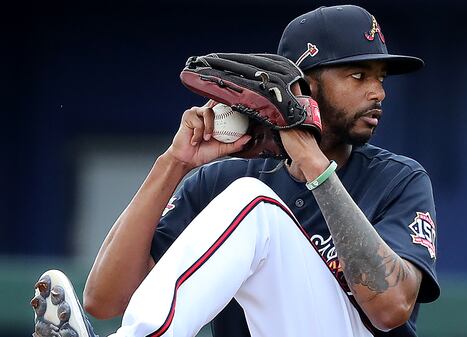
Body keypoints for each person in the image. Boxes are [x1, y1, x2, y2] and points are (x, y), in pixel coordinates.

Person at [31, 4, 439, 337]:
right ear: (304, 88)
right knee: (248, 194)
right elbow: (105, 301)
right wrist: (175, 163)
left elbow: (392, 308)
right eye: (358, 75)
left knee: (255, 202)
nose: (379, 92)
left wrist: (311, 159)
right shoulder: (221, 181)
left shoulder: (398, 179)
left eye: (380, 78)